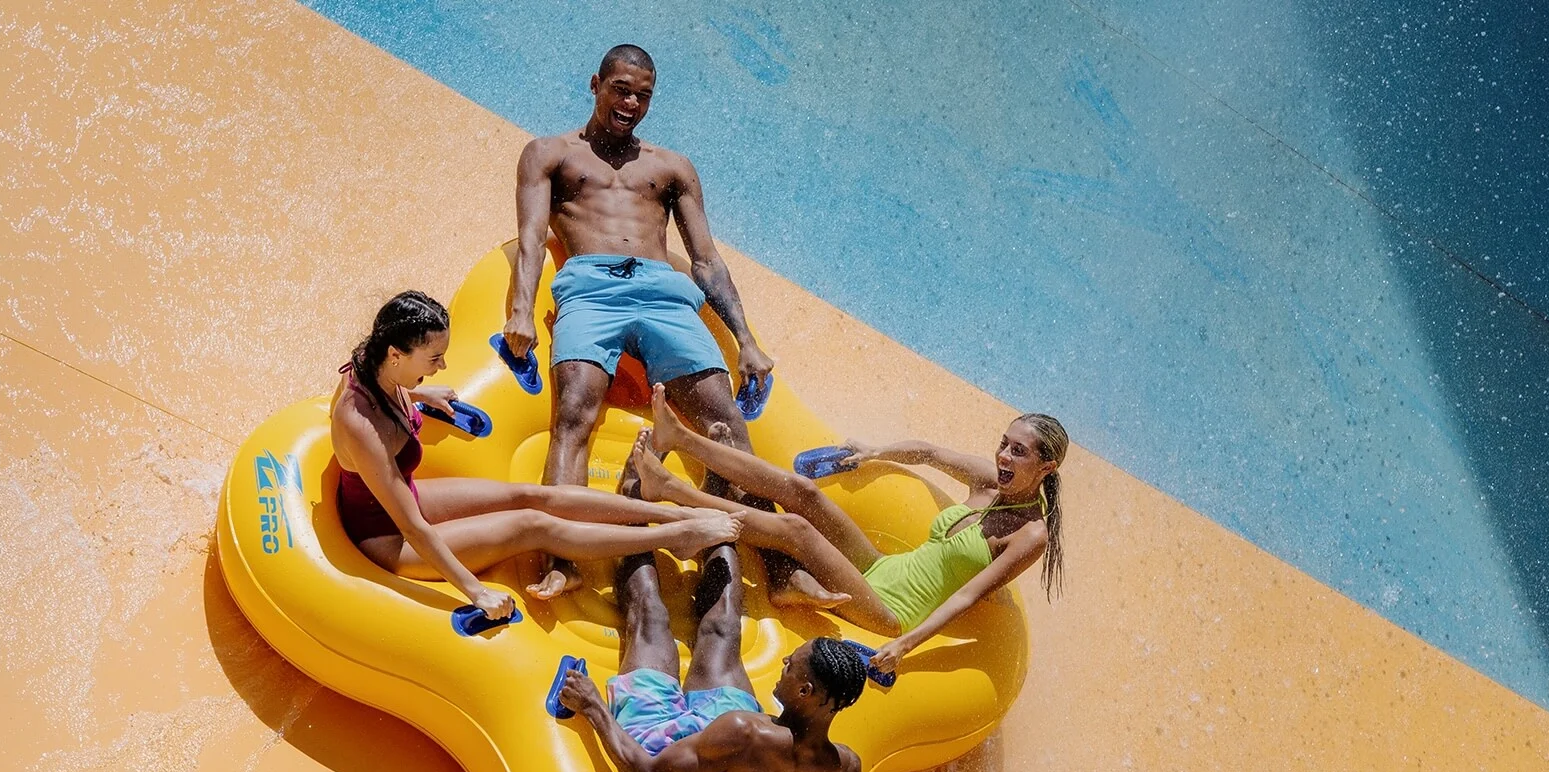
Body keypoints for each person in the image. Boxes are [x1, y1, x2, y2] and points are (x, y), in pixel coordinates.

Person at [504, 43, 839, 610]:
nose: (631, 103)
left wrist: (747, 341)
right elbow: (533, 237)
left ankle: (779, 570)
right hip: (590, 289)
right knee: (573, 415)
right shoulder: (549, 154)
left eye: (643, 95)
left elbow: (706, 259)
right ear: (596, 84)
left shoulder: (671, 167)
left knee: (726, 425)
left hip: (665, 297)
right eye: (621, 89)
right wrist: (519, 309)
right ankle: (563, 561)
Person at [331, 291, 740, 624]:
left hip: (404, 500)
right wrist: (478, 593)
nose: (443, 366)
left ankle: (677, 515)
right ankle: (677, 537)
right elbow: (414, 528)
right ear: (396, 354)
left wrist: (417, 393)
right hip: (391, 540)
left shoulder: (373, 361)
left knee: (529, 494)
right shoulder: (363, 429)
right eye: (434, 359)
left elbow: (385, 391)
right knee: (533, 524)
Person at [625, 384, 1070, 674]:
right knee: (804, 492)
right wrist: (876, 452)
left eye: (1019, 452)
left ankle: (668, 489)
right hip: (881, 568)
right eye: (1003, 445)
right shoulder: (989, 482)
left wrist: (906, 646)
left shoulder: (1030, 536)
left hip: (890, 611)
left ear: (1046, 466)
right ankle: (679, 438)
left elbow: (967, 594)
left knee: (796, 529)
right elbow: (930, 452)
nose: (1004, 457)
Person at [556, 542, 866, 772]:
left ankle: (635, 515)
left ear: (804, 691)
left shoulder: (745, 731)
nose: (784, 663)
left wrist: (592, 705)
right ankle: (718, 529)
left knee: (650, 617)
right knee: (724, 627)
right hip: (720, 744)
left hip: (658, 747)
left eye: (791, 665)